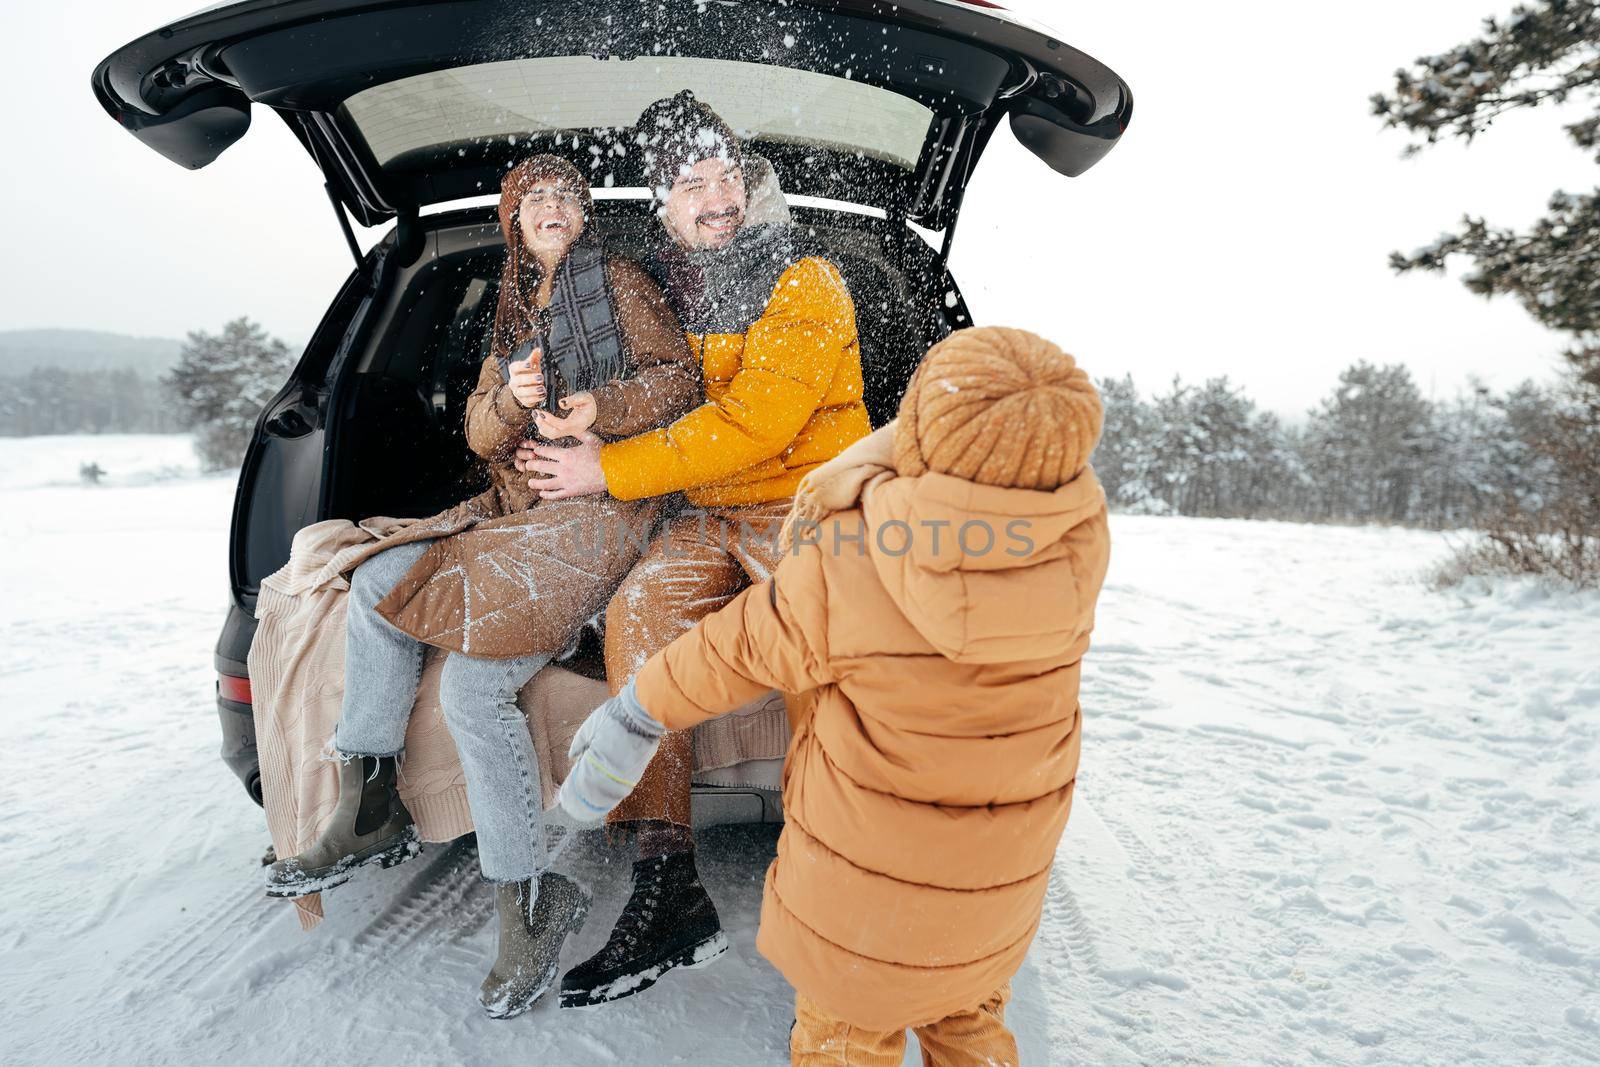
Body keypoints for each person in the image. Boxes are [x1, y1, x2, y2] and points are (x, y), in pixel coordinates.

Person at [558, 326, 1112, 1065]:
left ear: (917, 433)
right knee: (970, 1028)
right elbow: (984, 489)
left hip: (864, 923)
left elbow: (735, 646)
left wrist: (634, 710)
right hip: (994, 907)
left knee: (846, 1046)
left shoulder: (855, 559)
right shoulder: (1075, 549)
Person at [262, 155, 700, 1019]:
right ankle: (421, 832)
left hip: (597, 517)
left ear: (583, 218)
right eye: (534, 198)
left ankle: (458, 860)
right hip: (520, 516)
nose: (551, 208)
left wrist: (594, 413)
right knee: (422, 625)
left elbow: (677, 378)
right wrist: (511, 395)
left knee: (429, 629)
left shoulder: (617, 280)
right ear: (513, 220)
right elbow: (476, 426)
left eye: (565, 198)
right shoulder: (512, 302)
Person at [517, 90, 873, 1007]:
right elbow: (658, 390)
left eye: (727, 176)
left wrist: (610, 469)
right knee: (639, 613)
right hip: (708, 516)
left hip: (808, 510)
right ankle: (668, 882)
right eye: (690, 183)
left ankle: (849, 877)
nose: (716, 196)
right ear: (662, 205)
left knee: (820, 648)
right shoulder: (675, 292)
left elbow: (753, 422)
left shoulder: (806, 279)